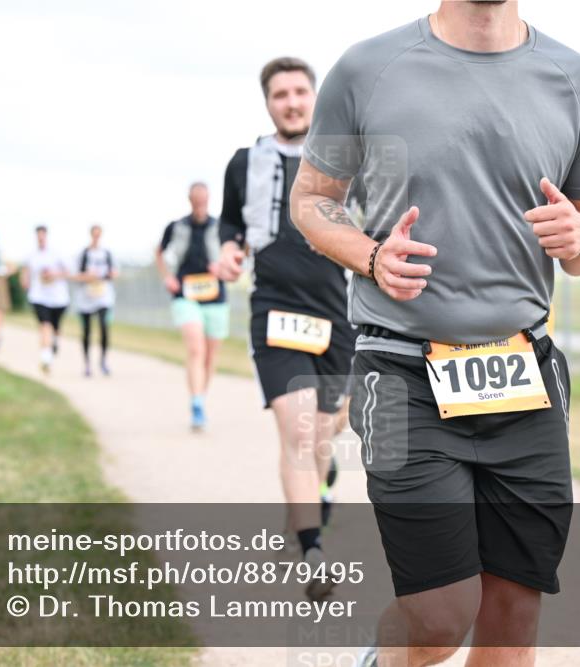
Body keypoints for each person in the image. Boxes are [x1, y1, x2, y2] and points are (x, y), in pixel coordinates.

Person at [291, 1, 580, 664]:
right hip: (401, 369)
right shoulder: (367, 68)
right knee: (439, 617)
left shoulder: (579, 81)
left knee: (512, 613)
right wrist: (371, 254)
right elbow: (312, 200)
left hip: (524, 374)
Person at [215, 56, 357, 598]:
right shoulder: (243, 162)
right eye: (280, 94)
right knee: (298, 432)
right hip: (274, 312)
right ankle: (313, 547)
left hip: (339, 316)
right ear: (268, 102)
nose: (292, 102)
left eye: (300, 91)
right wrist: (230, 252)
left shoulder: (349, 159)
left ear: (315, 97)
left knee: (322, 434)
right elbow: (232, 223)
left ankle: (309, 506)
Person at [156, 183, 228, 429]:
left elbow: (236, 255)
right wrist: (167, 276)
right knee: (195, 348)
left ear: (209, 200)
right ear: (189, 200)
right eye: (196, 200)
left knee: (209, 356)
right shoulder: (176, 227)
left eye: (204, 200)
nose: (200, 205)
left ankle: (200, 398)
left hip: (215, 296)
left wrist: (222, 267)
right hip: (185, 294)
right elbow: (159, 252)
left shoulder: (220, 227)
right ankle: (196, 403)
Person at [20, 225, 71, 374]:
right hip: (39, 297)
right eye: (38, 236)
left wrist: (54, 274)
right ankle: (46, 359)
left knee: (55, 327)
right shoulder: (31, 255)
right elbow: (26, 271)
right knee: (45, 325)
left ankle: (54, 342)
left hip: (58, 298)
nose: (41, 238)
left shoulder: (57, 254)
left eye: (43, 235)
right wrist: (25, 281)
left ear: (46, 236)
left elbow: (68, 271)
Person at [75, 224, 118, 377]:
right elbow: (77, 275)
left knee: (104, 328)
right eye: (94, 234)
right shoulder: (84, 254)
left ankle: (103, 361)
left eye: (98, 234)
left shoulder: (107, 253)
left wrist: (110, 275)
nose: (96, 237)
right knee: (86, 331)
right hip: (86, 296)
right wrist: (88, 276)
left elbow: (114, 273)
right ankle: (87, 363)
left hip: (103, 296)